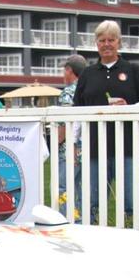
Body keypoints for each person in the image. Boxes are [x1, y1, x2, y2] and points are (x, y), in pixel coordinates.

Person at [73, 21, 139, 221]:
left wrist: (129, 108)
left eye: (111, 40)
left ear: (119, 42)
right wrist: (74, 143)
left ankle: (134, 232)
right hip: (94, 148)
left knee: (131, 202)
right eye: (102, 40)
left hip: (128, 147)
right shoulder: (87, 74)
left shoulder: (133, 70)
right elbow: (77, 110)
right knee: (91, 202)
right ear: (96, 43)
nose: (106, 44)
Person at [57, 55, 86, 212]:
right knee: (83, 188)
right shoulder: (88, 88)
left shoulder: (68, 92)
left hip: (68, 149)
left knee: (63, 187)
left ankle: (65, 218)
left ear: (70, 70)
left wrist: (56, 142)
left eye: (64, 70)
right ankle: (82, 219)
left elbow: (65, 123)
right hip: (86, 147)